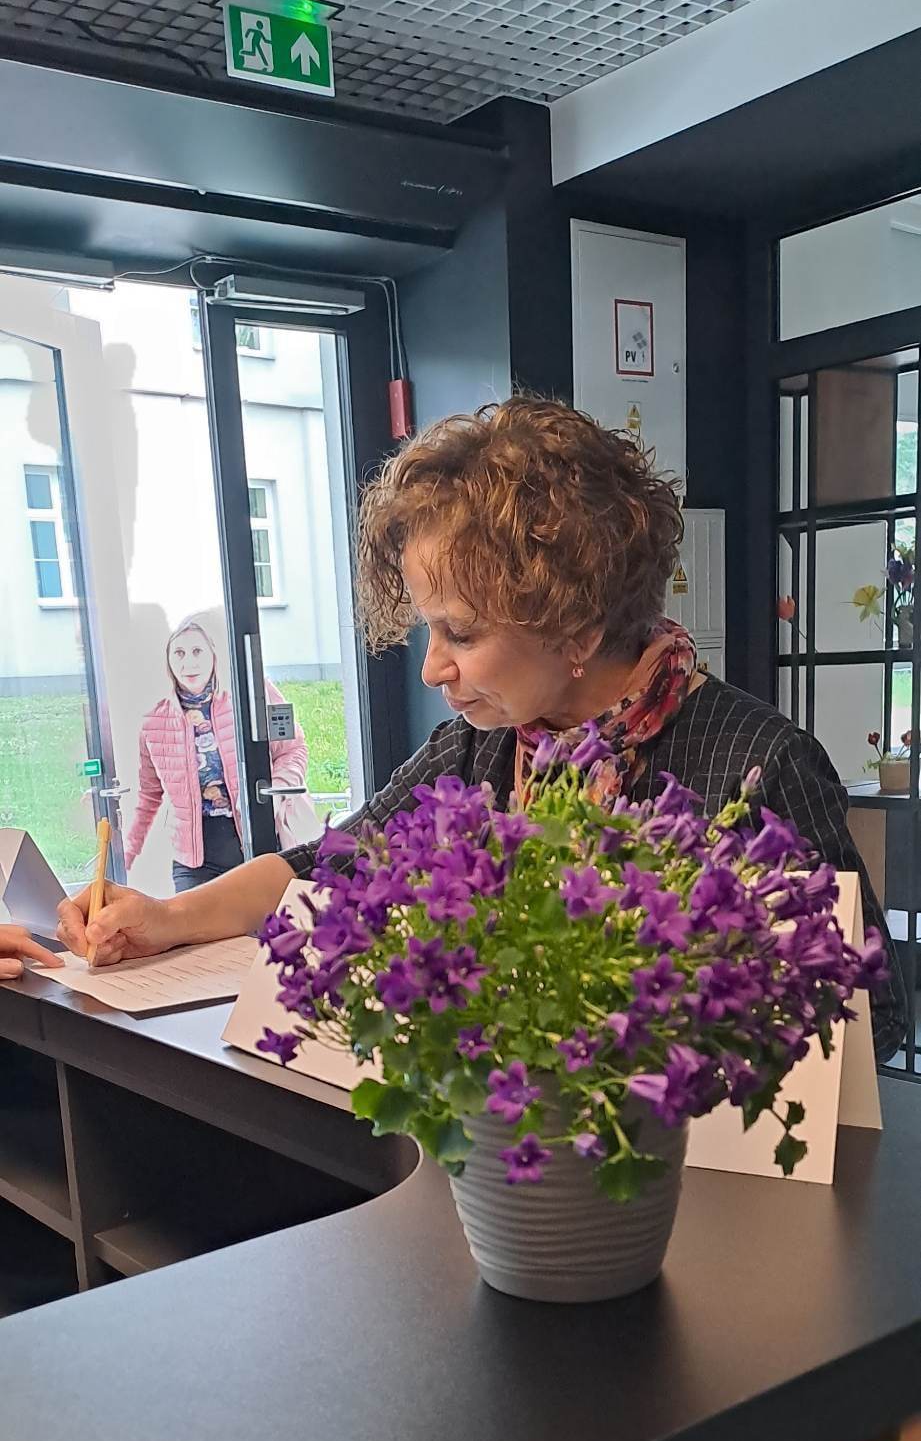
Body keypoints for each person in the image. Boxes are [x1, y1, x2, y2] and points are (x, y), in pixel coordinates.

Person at [58, 397, 907, 1061]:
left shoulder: (753, 761)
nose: (433, 668)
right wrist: (166, 916)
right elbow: (328, 864)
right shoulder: (479, 748)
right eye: (429, 630)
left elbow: (875, 1012)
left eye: (461, 634)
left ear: (575, 625)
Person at [124, 617, 313, 892]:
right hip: (195, 860)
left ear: (213, 655)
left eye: (197, 651)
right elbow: (149, 795)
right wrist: (127, 852)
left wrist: (278, 790)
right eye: (179, 653)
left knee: (266, 919)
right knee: (191, 921)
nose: (189, 663)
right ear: (168, 661)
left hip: (257, 843)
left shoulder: (252, 695)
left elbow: (294, 750)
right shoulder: (154, 721)